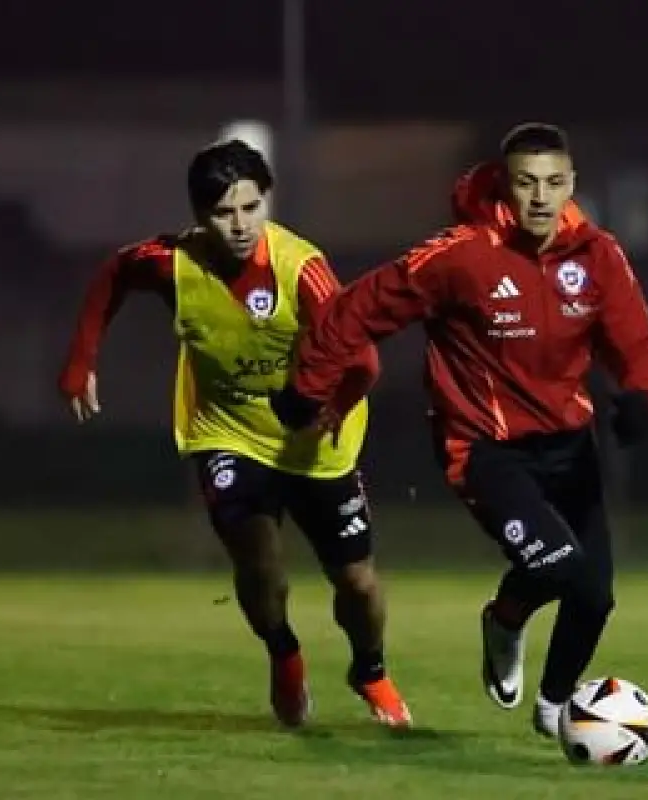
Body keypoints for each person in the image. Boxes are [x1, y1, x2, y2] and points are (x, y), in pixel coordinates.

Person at [271, 122, 648, 736]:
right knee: (558, 565)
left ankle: (556, 708)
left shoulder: (598, 254)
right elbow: (357, 310)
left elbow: (635, 339)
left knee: (595, 596)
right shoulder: (459, 254)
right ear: (507, 186)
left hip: (569, 447)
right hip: (486, 449)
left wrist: (644, 395)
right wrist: (308, 386)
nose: (540, 197)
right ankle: (505, 620)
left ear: (572, 185)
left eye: (554, 183)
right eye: (527, 183)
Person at [57, 139, 412, 728]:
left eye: (251, 207)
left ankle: (369, 670)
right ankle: (284, 654)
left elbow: (364, 361)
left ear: (265, 202)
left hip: (317, 442)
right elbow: (114, 272)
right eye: (224, 212)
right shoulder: (173, 262)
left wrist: (335, 405)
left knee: (358, 583)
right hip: (228, 433)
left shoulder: (302, 267)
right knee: (258, 561)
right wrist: (81, 359)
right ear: (199, 216)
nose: (241, 224)